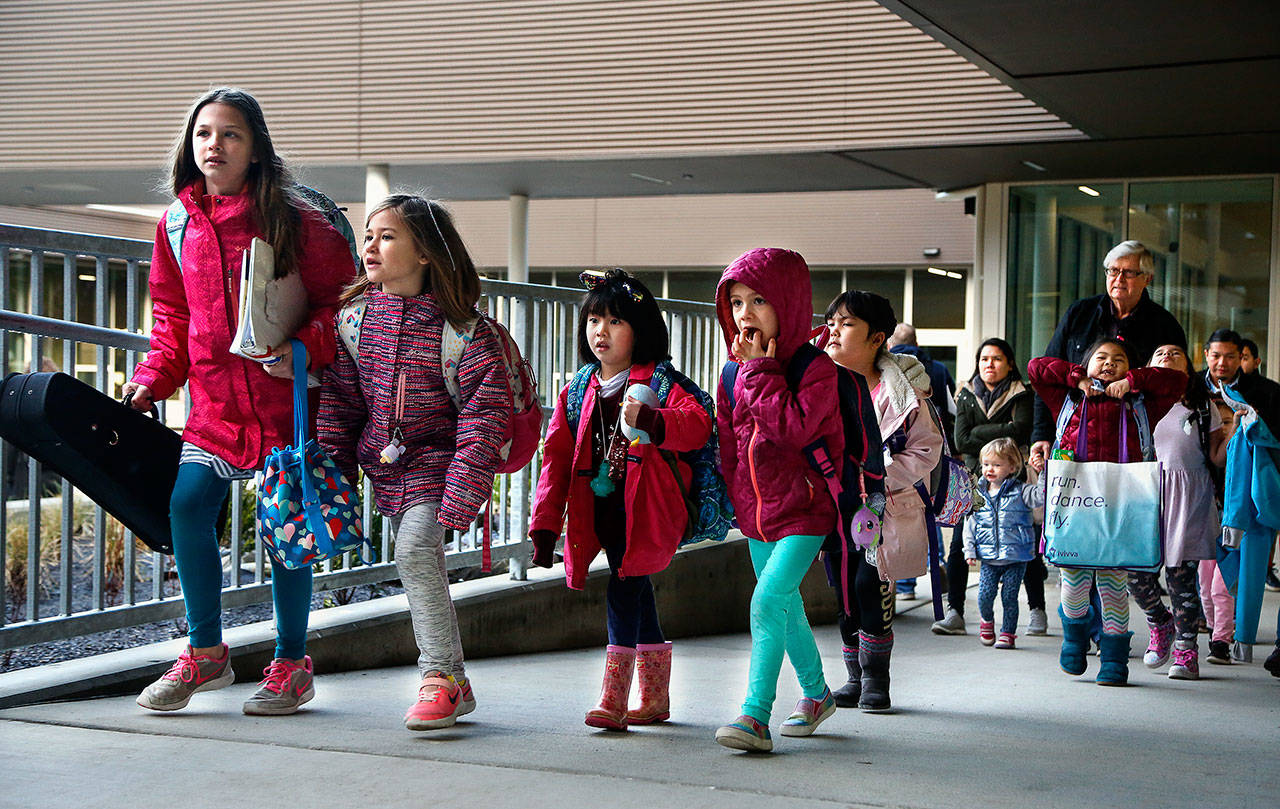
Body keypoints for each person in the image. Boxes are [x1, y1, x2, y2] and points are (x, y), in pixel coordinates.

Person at [126, 88, 357, 714]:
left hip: (288, 405)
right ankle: (206, 655)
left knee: (288, 531)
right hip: (215, 410)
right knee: (187, 503)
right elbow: (173, 318)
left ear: (255, 150)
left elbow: (344, 305)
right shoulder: (177, 223)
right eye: (204, 134)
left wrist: (304, 349)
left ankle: (290, 663)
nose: (214, 146)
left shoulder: (297, 219)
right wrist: (152, 380)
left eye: (230, 135)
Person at [317, 194, 511, 731]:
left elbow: (485, 418)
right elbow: (341, 400)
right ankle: (457, 681)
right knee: (418, 559)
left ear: (425, 251)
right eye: (370, 235)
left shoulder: (466, 334)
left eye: (388, 236)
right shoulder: (353, 322)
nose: (372, 246)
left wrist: (461, 494)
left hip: (441, 466)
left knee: (414, 548)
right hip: (387, 466)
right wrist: (333, 471)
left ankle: (440, 677)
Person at [528, 269, 713, 731]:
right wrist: (545, 524)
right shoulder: (578, 389)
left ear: (641, 328)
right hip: (601, 507)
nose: (600, 332)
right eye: (593, 321)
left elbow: (697, 426)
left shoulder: (664, 383)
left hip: (646, 508)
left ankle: (613, 698)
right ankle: (653, 698)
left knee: (623, 586)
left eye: (614, 322)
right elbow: (555, 459)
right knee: (634, 587)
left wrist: (654, 418)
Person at [712, 248, 842, 753]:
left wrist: (762, 372)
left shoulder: (814, 369)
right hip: (757, 512)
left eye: (759, 300)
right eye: (737, 302)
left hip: (807, 508)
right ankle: (817, 694)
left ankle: (754, 717)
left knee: (767, 600)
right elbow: (729, 443)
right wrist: (734, 499)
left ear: (787, 304)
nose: (745, 314)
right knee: (785, 608)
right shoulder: (731, 372)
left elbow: (794, 430)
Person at [1029, 339, 1185, 685]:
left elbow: (1176, 382)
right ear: (1087, 363)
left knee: (1114, 586)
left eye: (1119, 359)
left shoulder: (1142, 404)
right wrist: (1077, 378)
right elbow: (1036, 368)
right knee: (1073, 583)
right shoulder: (1068, 399)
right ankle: (1074, 640)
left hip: (1122, 508)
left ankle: (1115, 660)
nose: (1109, 363)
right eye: (1101, 357)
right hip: (1077, 507)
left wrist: (1133, 381)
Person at [823, 291, 940, 711]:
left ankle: (876, 678)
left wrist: (876, 478)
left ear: (877, 338)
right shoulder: (819, 383)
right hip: (832, 507)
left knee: (868, 587)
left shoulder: (902, 390)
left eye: (847, 323)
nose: (834, 330)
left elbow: (927, 449)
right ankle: (854, 676)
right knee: (842, 591)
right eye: (832, 321)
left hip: (882, 508)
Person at [1028, 240, 1187, 475]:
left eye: (1129, 273)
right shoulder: (1080, 313)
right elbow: (1044, 368)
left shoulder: (1164, 325)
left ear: (1148, 278)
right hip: (1076, 452)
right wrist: (1041, 433)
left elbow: (1177, 379)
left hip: (1133, 452)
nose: (1119, 279)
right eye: (1113, 271)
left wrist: (1132, 381)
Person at [1129, 345, 1229, 680]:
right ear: (1148, 366)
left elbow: (1216, 456)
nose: (1168, 355)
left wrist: (1235, 428)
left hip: (1188, 496)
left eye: (1175, 352)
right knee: (1136, 575)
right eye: (1159, 353)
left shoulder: (1201, 406)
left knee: (1181, 577)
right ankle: (1161, 622)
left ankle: (1187, 652)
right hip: (1147, 493)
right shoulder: (1137, 402)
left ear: (1188, 365)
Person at [934, 338, 1036, 636]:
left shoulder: (1021, 393)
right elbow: (961, 440)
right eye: (984, 359)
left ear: (1010, 363)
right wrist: (1001, 433)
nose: (990, 364)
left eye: (997, 359)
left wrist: (979, 431)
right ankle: (955, 611)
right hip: (972, 479)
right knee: (959, 545)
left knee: (1022, 542)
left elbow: (1021, 430)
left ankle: (1036, 608)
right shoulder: (966, 394)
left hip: (1012, 479)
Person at [963, 438, 1043, 649]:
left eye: (997, 465)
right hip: (989, 558)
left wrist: (1043, 473)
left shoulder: (1022, 490)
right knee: (984, 596)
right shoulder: (978, 493)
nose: (990, 469)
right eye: (986, 464)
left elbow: (1041, 497)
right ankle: (987, 621)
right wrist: (969, 549)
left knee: (1010, 597)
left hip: (1016, 557)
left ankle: (1008, 633)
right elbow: (971, 524)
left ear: (1012, 467)